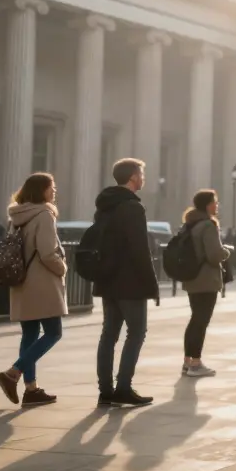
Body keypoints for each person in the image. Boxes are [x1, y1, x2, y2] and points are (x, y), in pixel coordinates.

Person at [0, 173, 66, 408]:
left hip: (22, 281)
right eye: (51, 187)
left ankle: (31, 389)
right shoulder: (44, 214)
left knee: (30, 335)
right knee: (54, 332)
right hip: (42, 283)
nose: (54, 191)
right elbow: (47, 252)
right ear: (41, 190)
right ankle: (12, 373)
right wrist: (62, 267)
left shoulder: (17, 216)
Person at [93, 158, 161, 408]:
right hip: (130, 282)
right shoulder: (133, 207)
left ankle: (105, 391)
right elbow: (140, 249)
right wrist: (152, 285)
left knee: (109, 335)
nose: (143, 178)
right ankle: (123, 387)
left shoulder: (104, 206)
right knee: (136, 332)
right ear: (133, 177)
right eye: (141, 174)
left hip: (107, 279)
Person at [179, 190, 231, 378]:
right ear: (208, 205)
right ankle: (195, 363)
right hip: (206, 280)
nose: (217, 205)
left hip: (192, 278)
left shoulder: (190, 224)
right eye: (215, 202)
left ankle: (187, 361)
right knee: (201, 322)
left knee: (195, 320)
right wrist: (226, 252)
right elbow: (214, 255)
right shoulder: (208, 225)